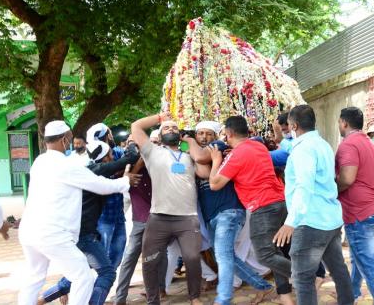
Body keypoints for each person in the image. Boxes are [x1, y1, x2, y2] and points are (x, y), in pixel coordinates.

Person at [18, 120, 133, 305]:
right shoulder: (67, 165)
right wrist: (126, 181)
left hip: (29, 231)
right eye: (70, 139)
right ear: (64, 140)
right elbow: (100, 185)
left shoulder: (40, 161)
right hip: (52, 233)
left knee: (34, 278)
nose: (72, 144)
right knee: (83, 277)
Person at [38, 140, 140, 305]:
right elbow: (130, 158)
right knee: (106, 272)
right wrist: (132, 145)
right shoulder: (97, 170)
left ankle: (43, 299)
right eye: (111, 155)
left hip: (79, 231)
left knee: (81, 271)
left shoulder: (90, 169)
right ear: (106, 157)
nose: (113, 157)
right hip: (85, 233)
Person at [184, 121, 273, 305]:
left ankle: (223, 299)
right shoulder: (196, 155)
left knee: (224, 256)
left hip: (228, 210)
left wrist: (189, 140)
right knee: (226, 255)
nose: (203, 137)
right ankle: (263, 286)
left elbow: (201, 159)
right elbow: (203, 172)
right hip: (211, 215)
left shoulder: (219, 146)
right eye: (199, 133)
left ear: (217, 135)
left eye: (208, 133)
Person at [208, 116, 294, 305]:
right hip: (281, 203)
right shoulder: (258, 147)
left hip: (262, 207)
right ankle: (286, 297)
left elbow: (214, 184)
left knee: (265, 255)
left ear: (229, 134)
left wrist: (216, 160)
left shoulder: (236, 155)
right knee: (275, 253)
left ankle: (304, 274)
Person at [273, 105, 353, 305]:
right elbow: (291, 147)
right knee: (338, 270)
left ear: (294, 125)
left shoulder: (304, 150)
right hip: (330, 219)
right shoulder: (321, 144)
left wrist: (291, 222)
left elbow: (304, 186)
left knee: (302, 278)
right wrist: (280, 139)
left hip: (310, 222)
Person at [131, 113, 207, 305]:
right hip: (159, 218)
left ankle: (194, 297)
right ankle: (152, 300)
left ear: (180, 134)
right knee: (149, 261)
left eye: (174, 128)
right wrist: (160, 117)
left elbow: (205, 173)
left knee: (191, 258)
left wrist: (191, 144)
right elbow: (136, 126)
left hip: (187, 218)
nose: (171, 129)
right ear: (160, 133)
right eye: (167, 128)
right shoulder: (152, 152)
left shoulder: (189, 155)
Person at [335, 107, 374, 304]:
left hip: (360, 213)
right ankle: (353, 292)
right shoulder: (368, 143)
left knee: (368, 263)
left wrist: (332, 189)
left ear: (344, 122)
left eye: (339, 122)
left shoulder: (348, 144)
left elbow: (347, 179)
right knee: (359, 256)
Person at [115, 137, 167, 305]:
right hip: (140, 219)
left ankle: (160, 289)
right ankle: (120, 298)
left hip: (159, 218)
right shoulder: (126, 165)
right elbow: (128, 178)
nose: (135, 147)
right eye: (132, 144)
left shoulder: (157, 164)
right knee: (130, 258)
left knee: (159, 256)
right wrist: (140, 157)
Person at [87, 123, 128, 269]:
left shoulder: (117, 152)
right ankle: (65, 286)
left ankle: (103, 284)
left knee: (117, 254)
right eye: (108, 133)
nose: (111, 136)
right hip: (102, 217)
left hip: (118, 213)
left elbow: (126, 166)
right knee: (96, 258)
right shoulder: (90, 159)